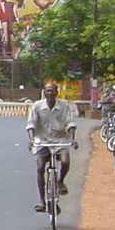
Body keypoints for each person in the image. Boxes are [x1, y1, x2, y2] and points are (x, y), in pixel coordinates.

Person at [26, 81, 79, 211]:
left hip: (59, 139)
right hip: (42, 140)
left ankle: (60, 181)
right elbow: (31, 124)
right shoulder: (37, 106)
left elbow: (70, 123)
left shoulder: (64, 106)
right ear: (44, 92)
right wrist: (32, 140)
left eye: (52, 91)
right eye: (48, 91)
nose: (50, 93)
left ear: (57, 93)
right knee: (40, 167)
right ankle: (42, 202)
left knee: (65, 161)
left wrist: (72, 139)